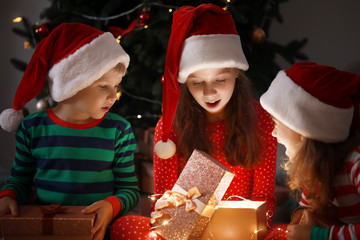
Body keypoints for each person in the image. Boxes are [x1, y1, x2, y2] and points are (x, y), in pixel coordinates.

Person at [110, 4, 278, 240]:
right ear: (185, 83)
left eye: (220, 79)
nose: (209, 93)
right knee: (126, 225)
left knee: (285, 234)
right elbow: (163, 201)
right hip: (187, 235)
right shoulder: (169, 128)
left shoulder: (261, 120)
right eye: (197, 83)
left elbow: (264, 198)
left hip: (243, 233)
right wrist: (169, 218)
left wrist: (249, 228)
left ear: (237, 74)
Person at [0, 23, 139, 240]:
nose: (113, 96)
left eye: (116, 86)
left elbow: (129, 190)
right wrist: (8, 197)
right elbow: (19, 180)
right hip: (46, 230)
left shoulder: (119, 130)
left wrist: (111, 206)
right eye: (103, 86)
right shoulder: (32, 128)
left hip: (97, 232)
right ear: (72, 84)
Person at [260, 62, 360, 240]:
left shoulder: (355, 163)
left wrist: (317, 235)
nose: (273, 133)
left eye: (276, 124)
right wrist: (300, 219)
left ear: (302, 131)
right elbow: (308, 211)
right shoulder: (314, 171)